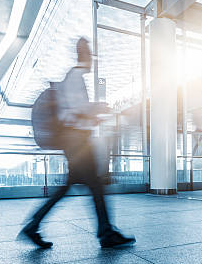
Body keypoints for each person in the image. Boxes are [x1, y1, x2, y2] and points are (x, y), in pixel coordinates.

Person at [19, 38, 135, 249]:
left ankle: (33, 225)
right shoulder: (75, 76)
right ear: (84, 54)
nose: (91, 59)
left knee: (75, 186)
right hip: (76, 140)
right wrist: (98, 107)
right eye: (90, 54)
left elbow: (74, 112)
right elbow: (78, 109)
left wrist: (93, 117)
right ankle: (105, 232)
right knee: (95, 184)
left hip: (75, 139)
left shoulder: (72, 77)